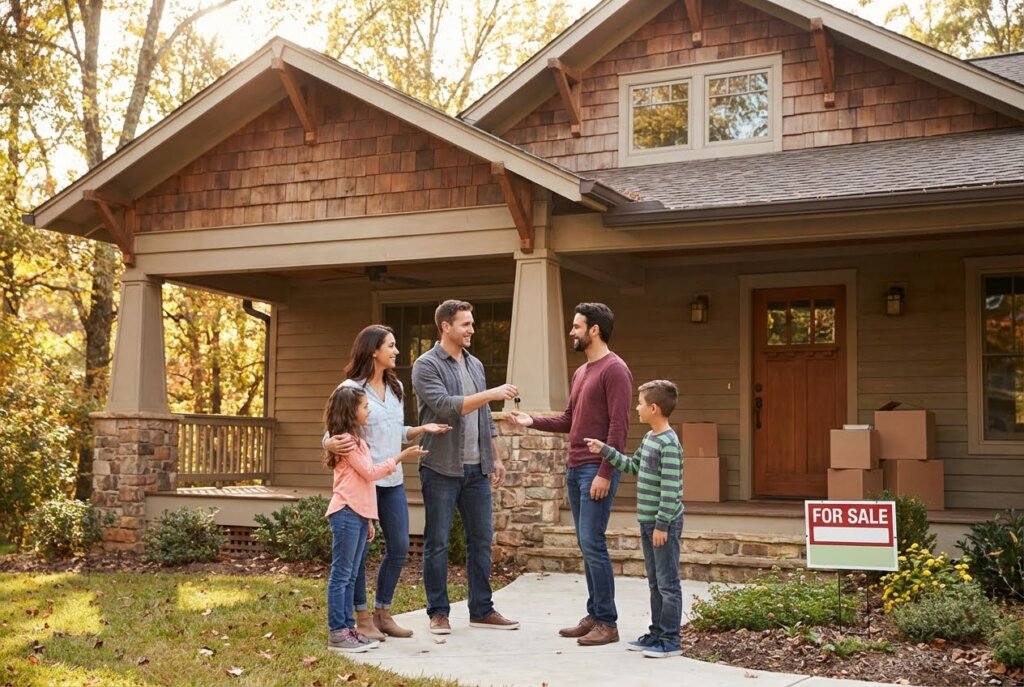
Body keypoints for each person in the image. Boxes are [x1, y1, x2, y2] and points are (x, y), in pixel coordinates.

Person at [506, 302, 633, 646]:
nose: (572, 332)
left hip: (596, 468)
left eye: (577, 326)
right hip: (575, 466)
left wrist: (606, 472)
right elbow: (568, 420)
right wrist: (530, 420)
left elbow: (619, 428)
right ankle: (595, 614)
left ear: (594, 330)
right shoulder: (581, 373)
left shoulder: (615, 369)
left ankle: (608, 622)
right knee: (585, 542)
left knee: (593, 542)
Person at [324, 325, 451, 640]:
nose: (396, 351)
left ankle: (383, 612)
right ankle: (362, 616)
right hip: (362, 484)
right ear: (373, 350)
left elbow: (395, 429)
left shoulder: (396, 388)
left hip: (391, 481)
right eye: (391, 346)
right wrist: (327, 444)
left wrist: (421, 429)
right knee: (358, 555)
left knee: (399, 546)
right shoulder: (351, 388)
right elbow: (334, 430)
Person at [411, 299, 521, 634]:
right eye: (465, 324)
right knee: (438, 542)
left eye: (472, 324)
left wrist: (495, 456)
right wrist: (490, 394)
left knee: (482, 540)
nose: (472, 329)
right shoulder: (426, 365)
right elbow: (445, 407)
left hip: (476, 470)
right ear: (445, 326)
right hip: (441, 468)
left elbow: (484, 417)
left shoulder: (475, 365)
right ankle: (438, 612)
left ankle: (481, 609)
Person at [323, 385, 428, 653]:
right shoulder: (347, 442)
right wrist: (402, 457)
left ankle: (349, 630)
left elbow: (363, 486)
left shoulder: (358, 441)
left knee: (348, 576)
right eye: (364, 407)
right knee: (342, 575)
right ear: (351, 411)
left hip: (357, 514)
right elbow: (370, 474)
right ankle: (338, 632)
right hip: (345, 513)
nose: (368, 411)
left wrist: (369, 519)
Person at [584, 379, 684, 659]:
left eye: (639, 403)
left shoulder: (670, 443)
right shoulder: (650, 438)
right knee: (654, 581)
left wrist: (662, 524)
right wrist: (605, 449)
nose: (636, 408)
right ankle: (656, 632)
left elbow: (671, 489)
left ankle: (670, 640)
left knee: (667, 583)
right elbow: (632, 466)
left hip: (663, 524)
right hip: (648, 521)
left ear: (653, 408)